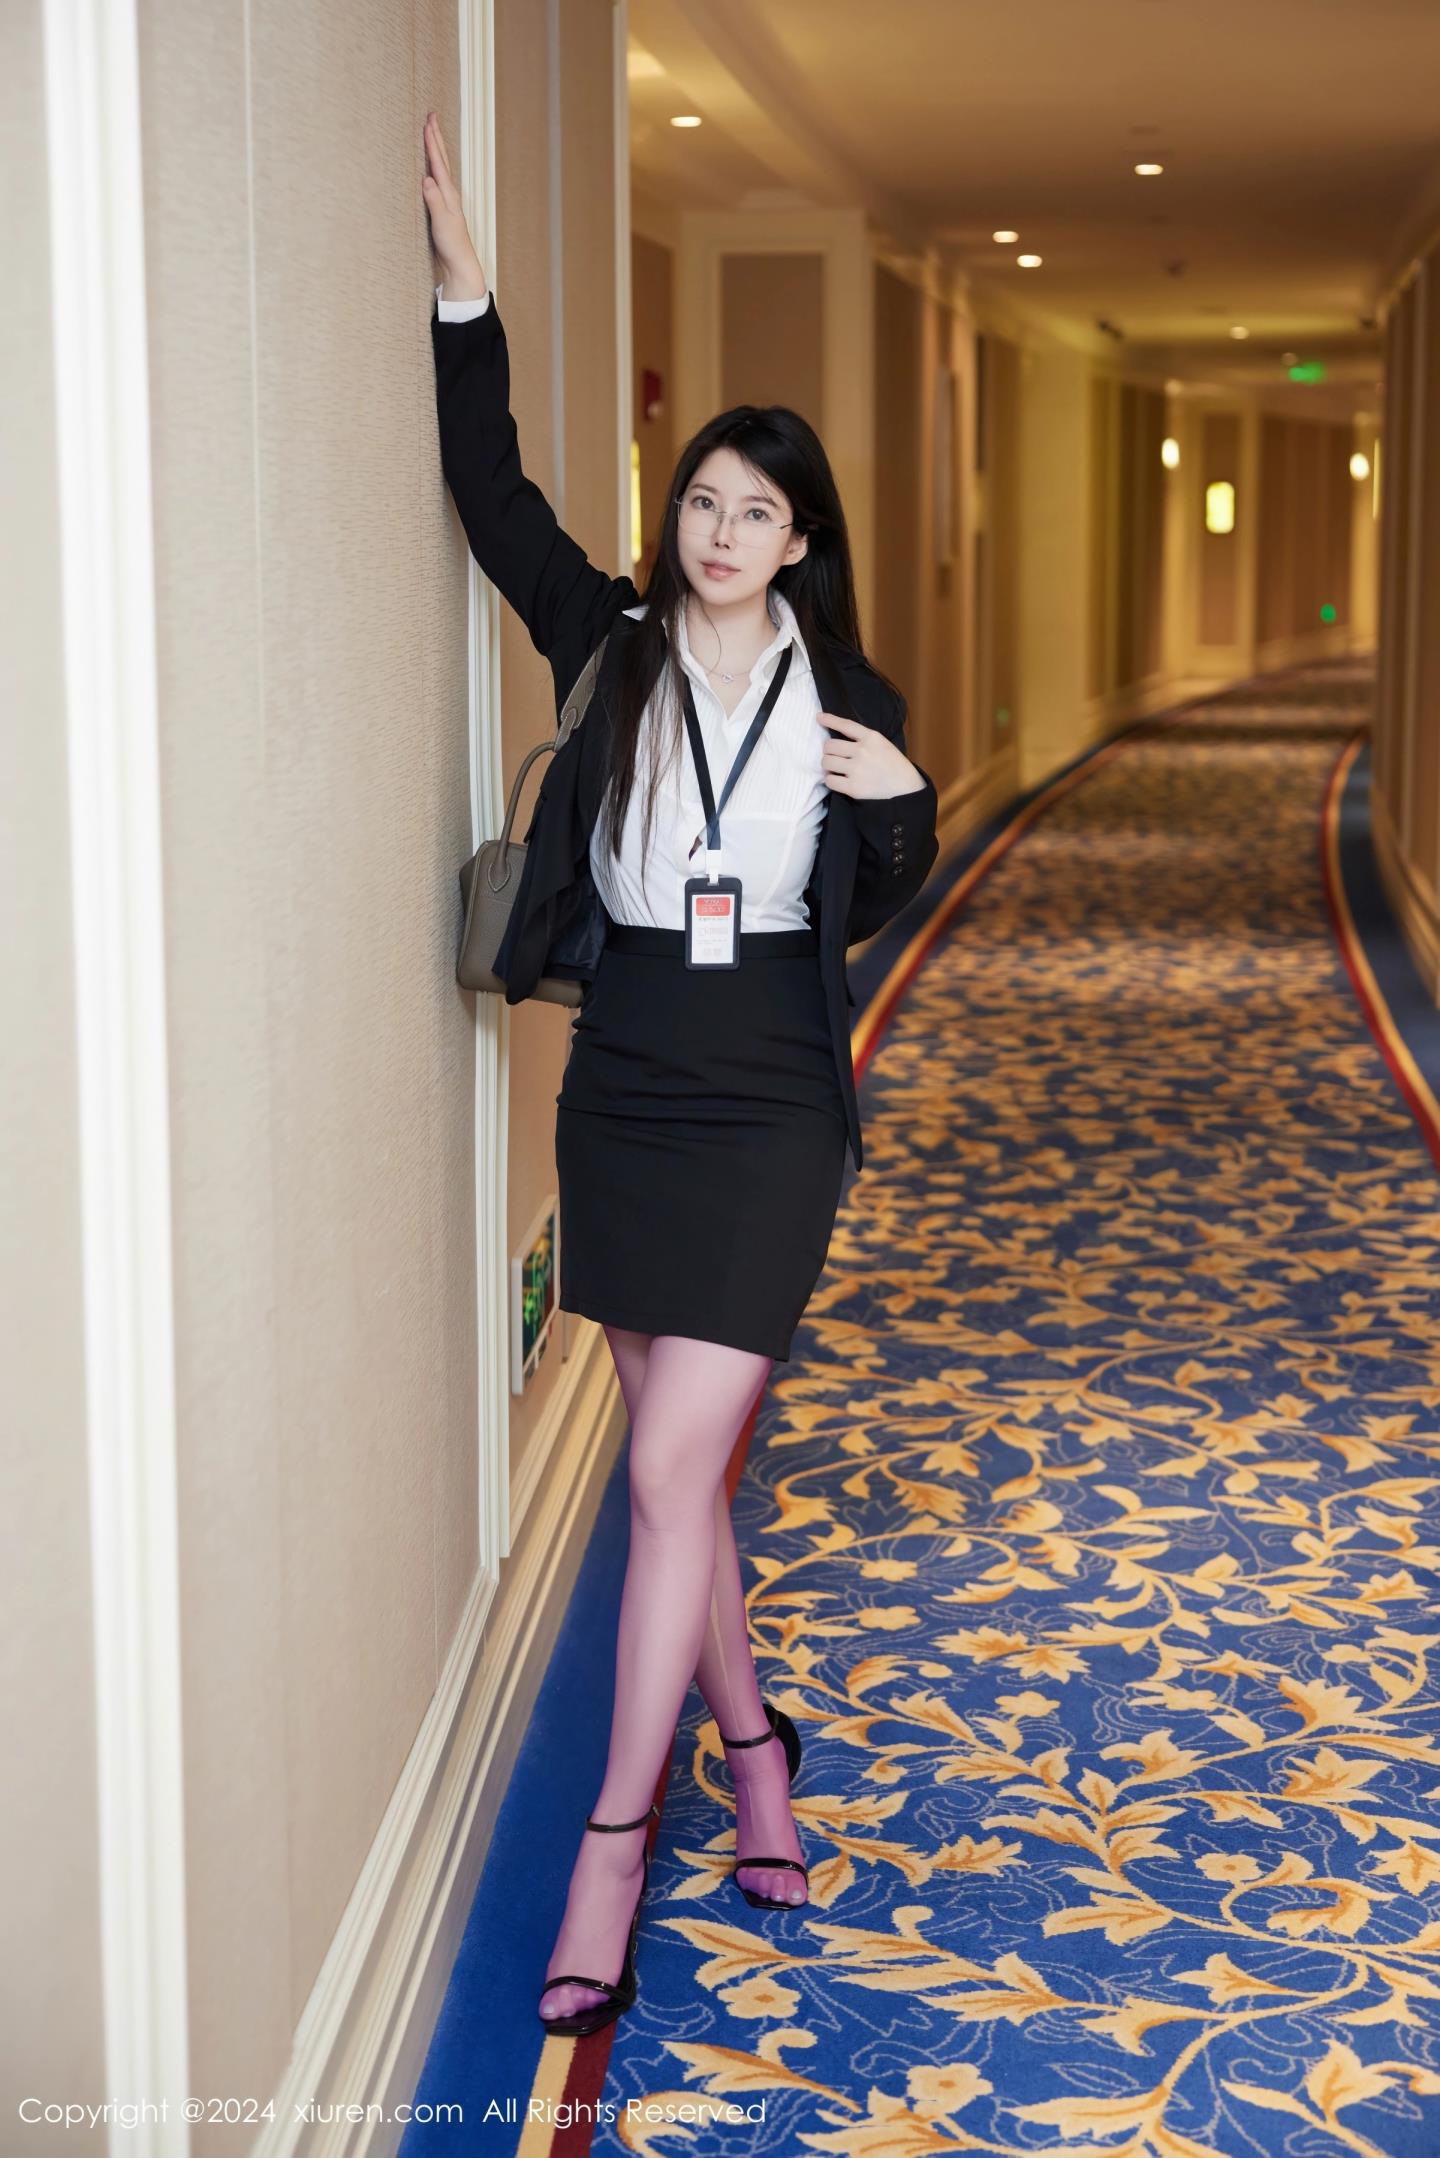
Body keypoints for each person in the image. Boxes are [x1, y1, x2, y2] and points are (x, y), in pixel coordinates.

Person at [422, 112, 939, 2039]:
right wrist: (466, 296)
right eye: (704, 500)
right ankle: (757, 1747)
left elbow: (880, 890)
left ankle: (614, 1845)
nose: (720, 531)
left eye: (754, 512)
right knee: (682, 1477)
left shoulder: (850, 705)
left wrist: (909, 801)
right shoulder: (618, 644)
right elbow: (492, 495)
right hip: (628, 1067)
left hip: (772, 1091)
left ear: (801, 545)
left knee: (661, 1468)